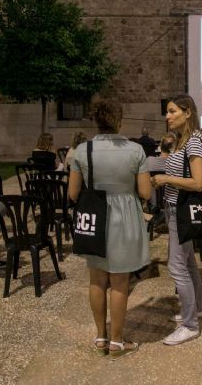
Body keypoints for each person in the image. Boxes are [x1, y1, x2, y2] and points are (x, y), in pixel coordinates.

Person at [68, 101, 151, 360]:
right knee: (120, 281)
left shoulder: (83, 150)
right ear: (119, 121)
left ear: (97, 122)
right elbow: (146, 193)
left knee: (96, 279)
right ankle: (117, 341)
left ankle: (100, 336)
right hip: (125, 218)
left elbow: (73, 194)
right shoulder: (136, 150)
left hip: (95, 218)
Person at [152, 94, 202, 345]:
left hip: (181, 210)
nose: (168, 116)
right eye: (167, 112)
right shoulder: (183, 141)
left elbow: (198, 183)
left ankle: (190, 324)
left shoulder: (194, 142)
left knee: (176, 266)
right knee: (188, 264)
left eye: (172, 111)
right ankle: (197, 309)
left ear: (188, 113)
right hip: (176, 209)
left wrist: (166, 179)